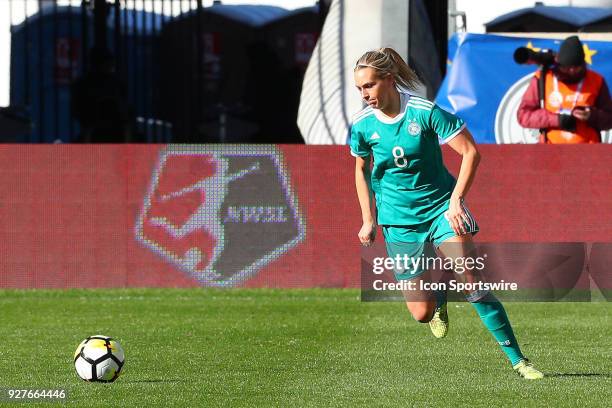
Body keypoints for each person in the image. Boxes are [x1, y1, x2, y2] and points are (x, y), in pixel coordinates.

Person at [351, 48, 544, 379]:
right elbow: (361, 169)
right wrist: (368, 219)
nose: (364, 94)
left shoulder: (424, 112)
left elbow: (470, 153)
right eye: (359, 89)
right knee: (421, 313)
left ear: (389, 80)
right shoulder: (362, 125)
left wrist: (456, 201)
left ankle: (519, 361)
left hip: (441, 208)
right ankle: (438, 296)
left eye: (369, 86)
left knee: (472, 279)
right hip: (398, 222)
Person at [517, 35, 612, 143]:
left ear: (583, 64)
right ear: (559, 64)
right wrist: (557, 120)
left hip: (588, 152)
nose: (571, 71)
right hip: (550, 151)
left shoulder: (596, 80)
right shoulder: (543, 78)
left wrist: (591, 115)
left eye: (576, 67)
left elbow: (609, 119)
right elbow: (524, 116)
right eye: (566, 67)